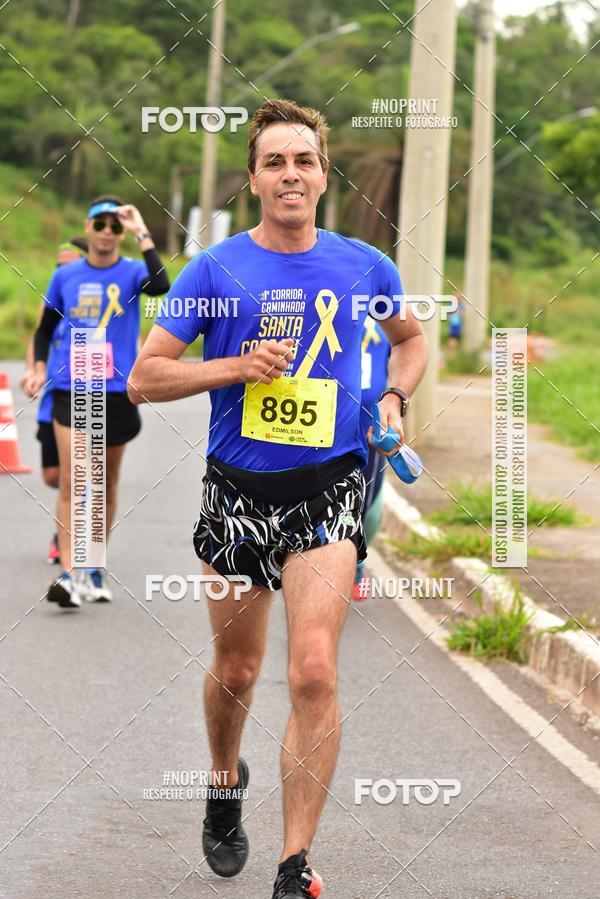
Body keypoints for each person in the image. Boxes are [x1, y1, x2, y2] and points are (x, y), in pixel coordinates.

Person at [127, 99, 428, 897]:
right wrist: (234, 367)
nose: (290, 174)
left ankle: (295, 863)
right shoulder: (216, 270)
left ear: (324, 175)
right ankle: (225, 782)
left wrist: (394, 400)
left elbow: (411, 338)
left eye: (304, 160)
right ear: (254, 179)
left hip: (329, 489)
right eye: (274, 162)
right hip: (236, 492)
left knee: (315, 669)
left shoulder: (367, 264)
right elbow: (144, 377)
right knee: (236, 666)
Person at [27, 195, 170, 608]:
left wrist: (142, 229)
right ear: (88, 229)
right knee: (75, 479)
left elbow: (161, 284)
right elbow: (43, 330)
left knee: (104, 482)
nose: (107, 231)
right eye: (100, 224)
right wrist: (37, 366)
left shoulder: (131, 272)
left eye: (114, 225)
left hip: (116, 390)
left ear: (120, 233)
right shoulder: (66, 275)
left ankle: (92, 565)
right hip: (72, 386)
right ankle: (69, 573)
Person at [21, 237, 88, 565]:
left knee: (73, 477)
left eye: (68, 265)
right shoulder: (53, 299)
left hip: (85, 398)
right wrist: (32, 371)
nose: (61, 271)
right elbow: (40, 336)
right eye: (57, 266)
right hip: (53, 397)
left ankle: (67, 541)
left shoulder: (94, 304)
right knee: (52, 475)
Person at [352, 316, 391, 601]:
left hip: (371, 425)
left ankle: (357, 562)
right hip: (333, 420)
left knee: (367, 499)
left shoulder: (391, 322)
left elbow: (406, 354)